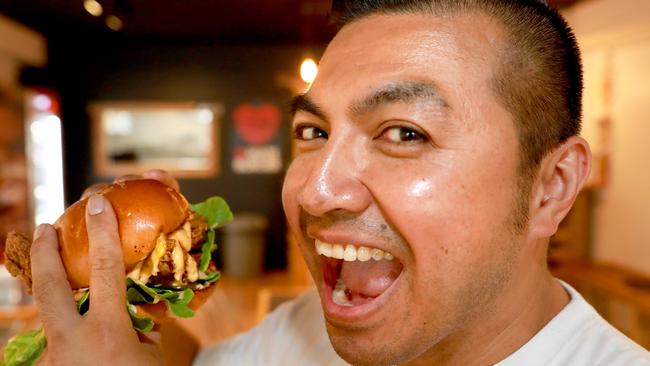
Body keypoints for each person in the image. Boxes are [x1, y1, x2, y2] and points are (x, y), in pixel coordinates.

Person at [28, 0, 650, 365]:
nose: (315, 191)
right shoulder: (302, 330)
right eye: (313, 133)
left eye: (404, 133)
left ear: (552, 187)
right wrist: (143, 321)